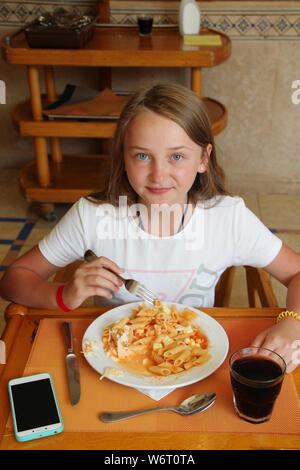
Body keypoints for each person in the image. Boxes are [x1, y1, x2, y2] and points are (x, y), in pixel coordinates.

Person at [1, 82, 300, 372]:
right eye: (142, 156)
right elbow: (14, 279)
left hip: (195, 361)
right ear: (124, 158)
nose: (158, 175)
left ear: (203, 159)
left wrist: (291, 321)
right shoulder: (93, 217)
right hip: (114, 363)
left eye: (177, 156)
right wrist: (63, 296)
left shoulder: (228, 219)